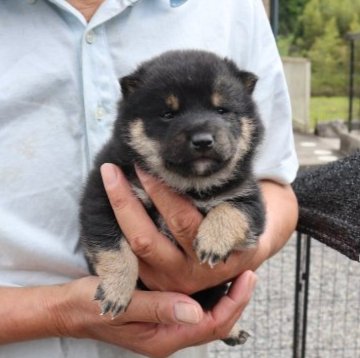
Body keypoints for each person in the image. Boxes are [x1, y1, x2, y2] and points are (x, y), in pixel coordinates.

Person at [0, 0, 299, 357]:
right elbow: (101, 218)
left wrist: (241, 256)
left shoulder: (230, 8)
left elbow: (274, 185)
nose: (203, 133)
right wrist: (62, 312)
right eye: (168, 115)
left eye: (221, 111)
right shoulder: (123, 167)